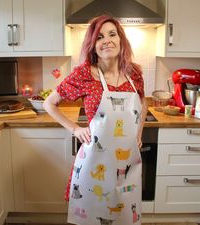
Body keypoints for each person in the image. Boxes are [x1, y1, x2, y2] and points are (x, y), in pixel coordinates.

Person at [43, 14, 148, 225]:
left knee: (123, 213)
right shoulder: (83, 74)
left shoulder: (133, 72)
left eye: (112, 34)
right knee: (91, 213)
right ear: (93, 45)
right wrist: (75, 129)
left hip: (125, 160)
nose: (107, 40)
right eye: (100, 37)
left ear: (121, 40)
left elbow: (143, 101)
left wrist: (139, 132)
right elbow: (49, 103)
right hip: (95, 160)